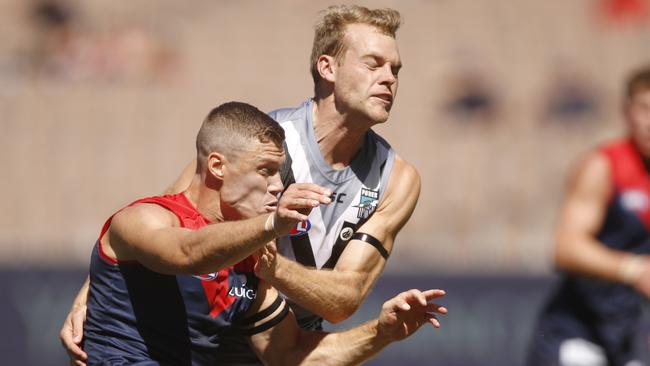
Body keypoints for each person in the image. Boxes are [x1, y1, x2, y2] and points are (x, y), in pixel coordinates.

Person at [61, 5, 423, 365]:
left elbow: (344, 300)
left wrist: (268, 265)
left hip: (279, 330)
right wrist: (92, 295)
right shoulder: (260, 141)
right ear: (328, 67)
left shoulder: (395, 178)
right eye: (373, 64)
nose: (389, 78)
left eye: (395, 69)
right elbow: (170, 220)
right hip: (209, 322)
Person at [80, 101, 447, 365]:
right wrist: (272, 225)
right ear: (218, 166)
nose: (278, 185)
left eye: (279, 171)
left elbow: (291, 355)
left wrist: (381, 333)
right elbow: (187, 254)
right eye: (265, 170)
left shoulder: (251, 263)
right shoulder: (142, 219)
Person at [527, 66, 650, 366]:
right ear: (627, 112)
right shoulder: (604, 167)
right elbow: (566, 247)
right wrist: (635, 270)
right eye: (645, 109)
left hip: (625, 338)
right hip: (576, 336)